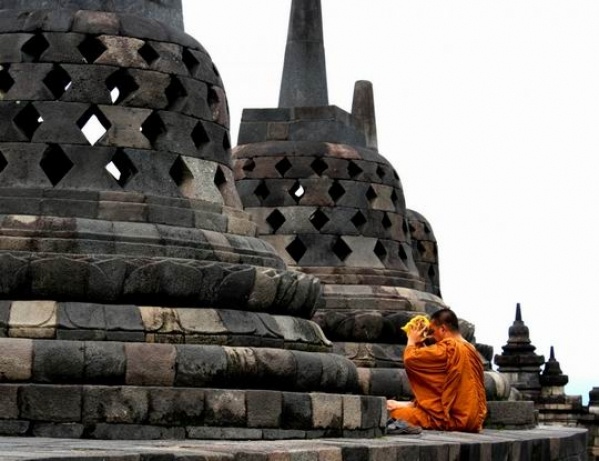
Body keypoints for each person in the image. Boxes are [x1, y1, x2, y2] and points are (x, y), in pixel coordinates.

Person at [386, 308, 487, 433]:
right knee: (398, 406)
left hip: (453, 420)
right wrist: (405, 404)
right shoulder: (471, 350)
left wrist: (412, 340)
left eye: (432, 332)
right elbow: (443, 389)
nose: (431, 337)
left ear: (443, 329)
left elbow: (411, 359)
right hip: (475, 421)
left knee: (394, 413)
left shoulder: (450, 347)